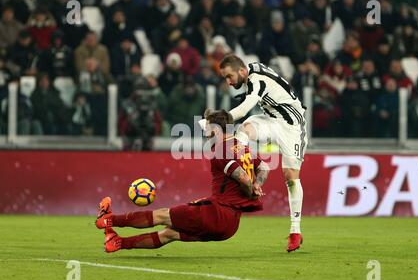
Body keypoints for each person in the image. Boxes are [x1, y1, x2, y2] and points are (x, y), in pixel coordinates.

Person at [95, 109, 270, 252]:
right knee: (169, 234)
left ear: (216, 130)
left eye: (207, 128)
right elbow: (264, 167)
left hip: (218, 213)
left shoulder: (221, 150)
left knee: (163, 215)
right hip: (230, 226)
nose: (205, 132)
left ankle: (108, 220)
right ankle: (118, 243)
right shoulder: (243, 147)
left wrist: (251, 189)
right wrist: (258, 184)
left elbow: (244, 179)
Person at [218, 54, 308, 252]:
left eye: (229, 76)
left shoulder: (257, 80)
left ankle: (295, 231)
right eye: (225, 78)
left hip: (292, 126)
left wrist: (222, 118)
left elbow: (244, 109)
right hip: (271, 120)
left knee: (291, 177)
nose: (228, 81)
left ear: (241, 71)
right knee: (244, 131)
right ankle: (247, 178)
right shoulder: (251, 71)